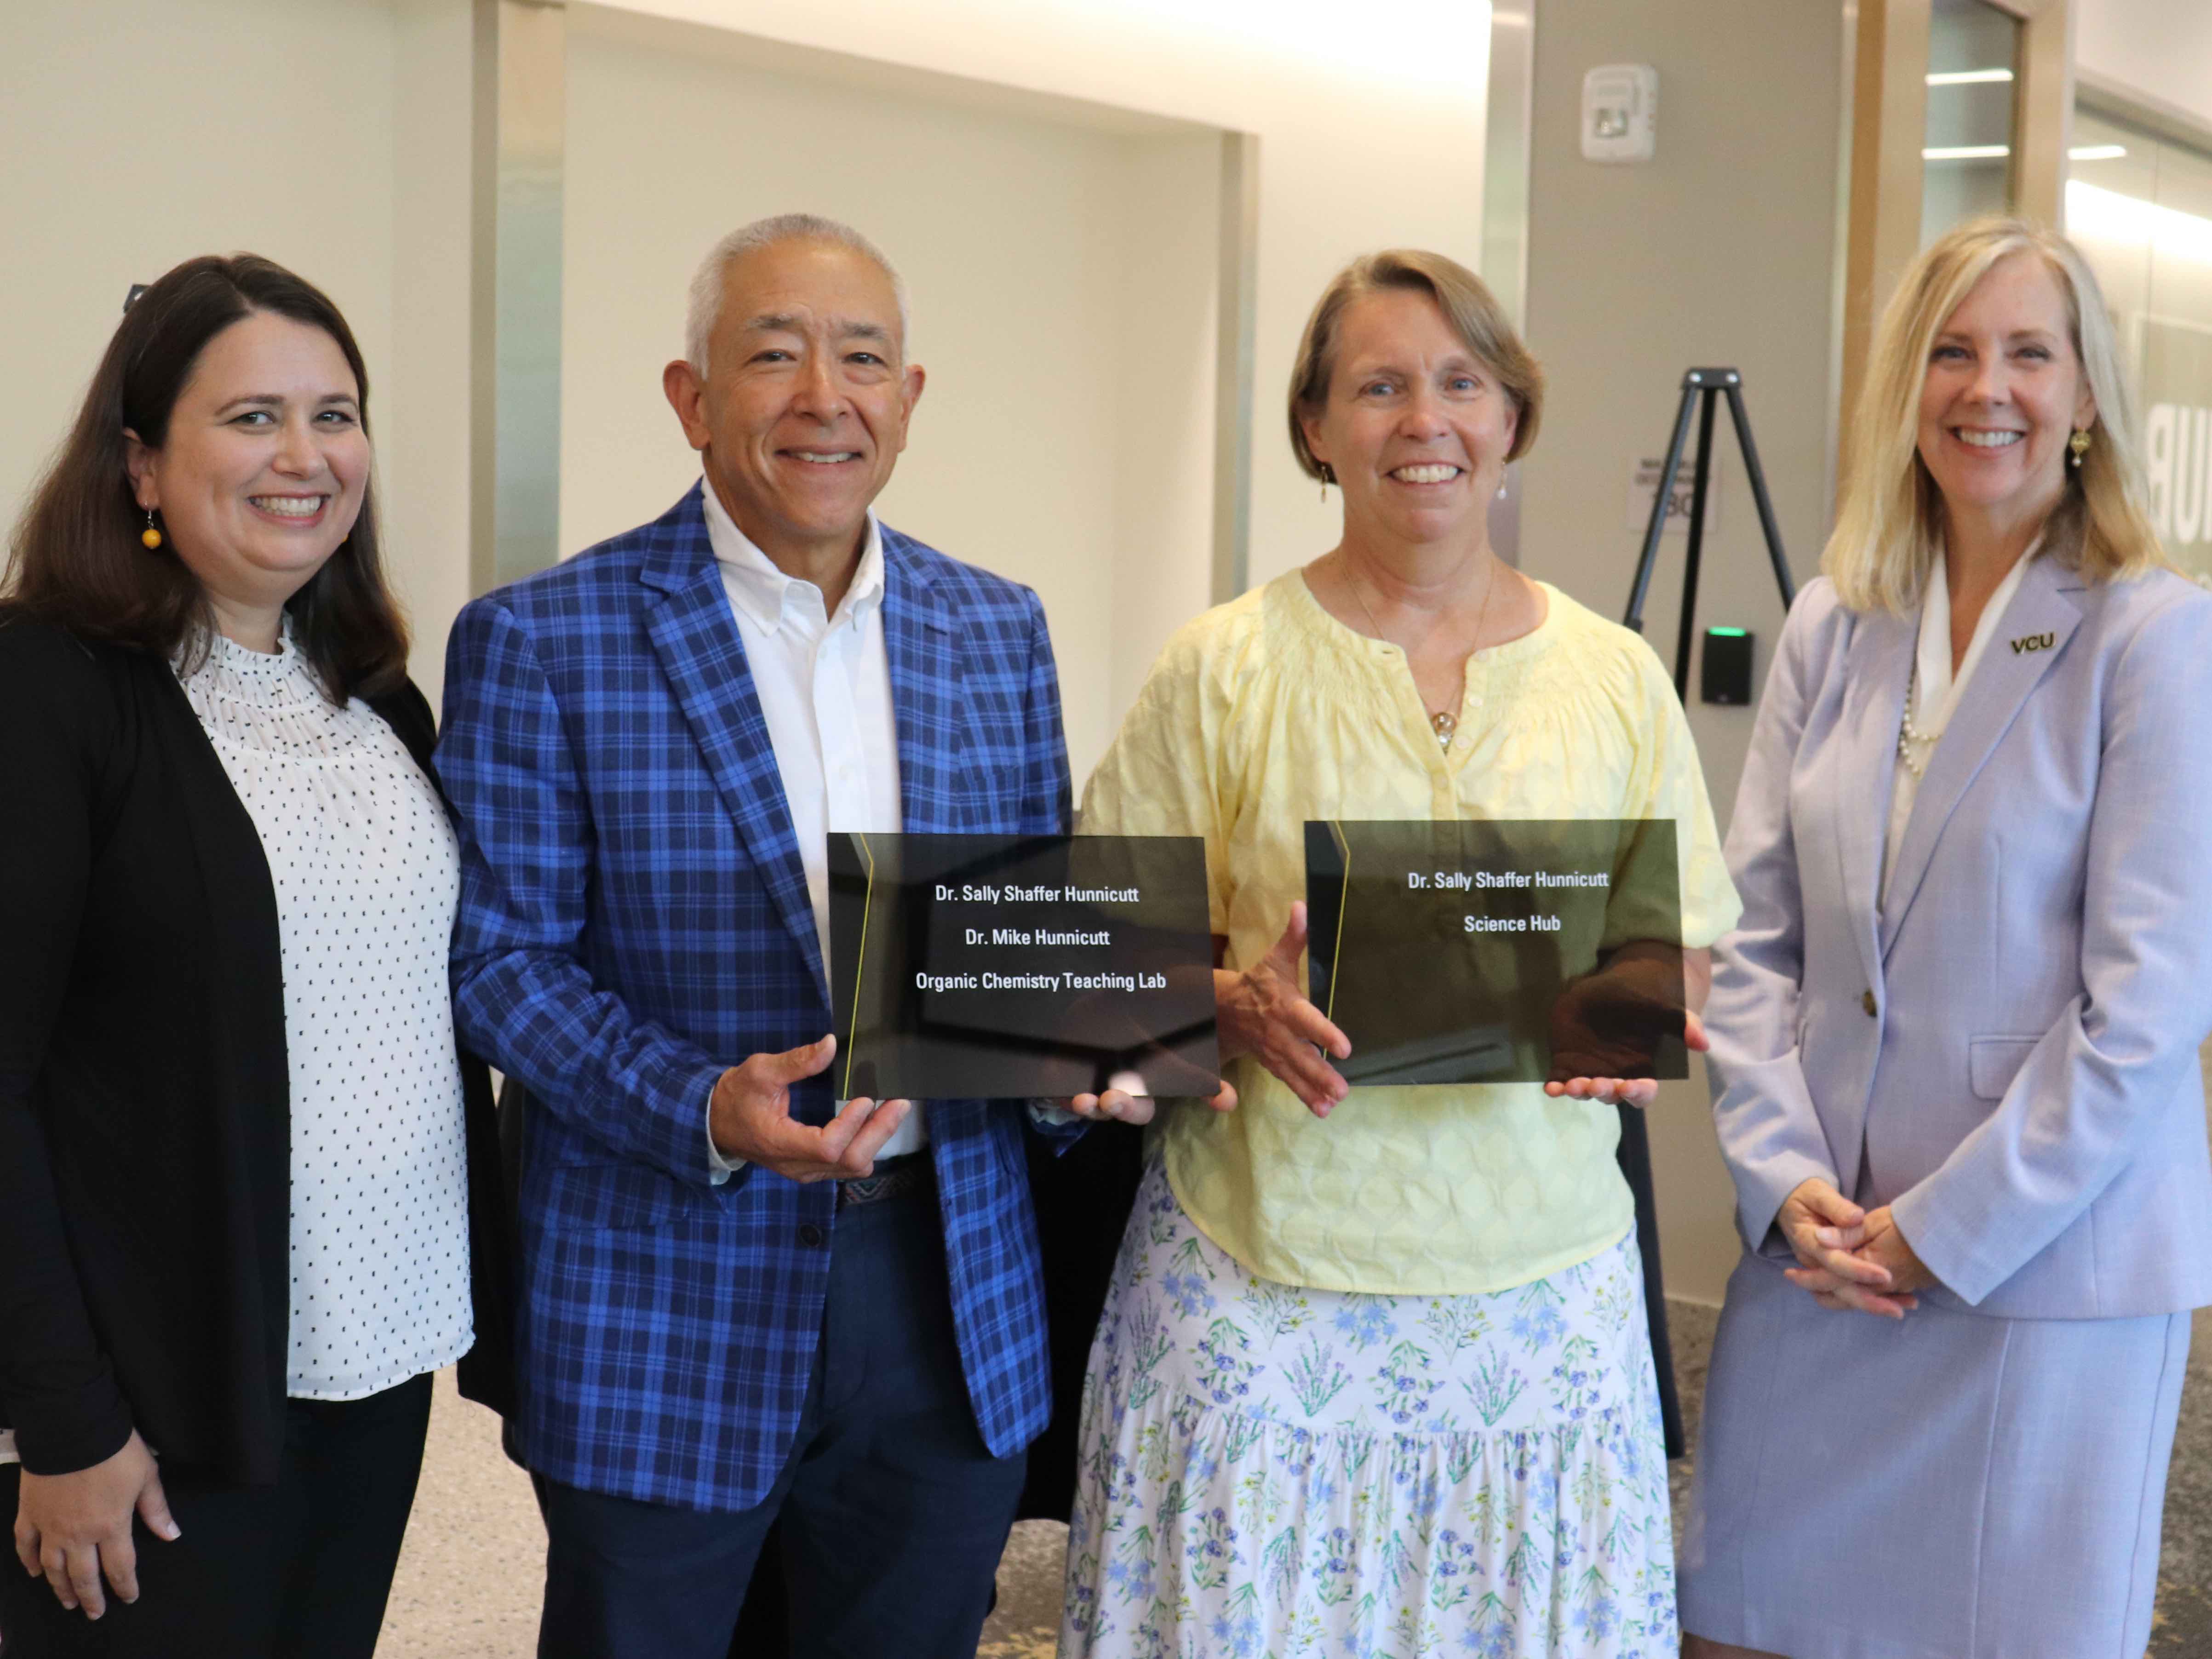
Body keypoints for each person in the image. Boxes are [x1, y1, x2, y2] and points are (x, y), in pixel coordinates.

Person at [436, 213, 1174, 1659]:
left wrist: (1098, 1056)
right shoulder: (544, 636)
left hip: (942, 1281)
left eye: (862, 358)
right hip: (661, 1277)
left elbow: (1022, 934)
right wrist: (702, 1104)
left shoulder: (995, 628)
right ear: (691, 397)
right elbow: (497, 960)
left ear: (909, 399)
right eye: (773, 355)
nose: (822, 395)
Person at [1059, 249, 1740, 1659]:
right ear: (1317, 427)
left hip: (1538, 1306)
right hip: (1259, 1283)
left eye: (1458, 383)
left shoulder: (1617, 676)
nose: (1421, 420)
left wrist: (1631, 1032)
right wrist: (1221, 1005)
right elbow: (1083, 964)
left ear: (1509, 419)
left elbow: (1679, 954)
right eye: (1377, 387)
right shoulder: (1221, 665)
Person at [1679, 216, 2212, 1659]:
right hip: (1819, 1257)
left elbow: (2145, 1012)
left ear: (2086, 394)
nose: (1989, 389)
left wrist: (1942, 1230)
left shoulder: (2153, 637)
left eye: (2029, 353)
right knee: (1742, 1626)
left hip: (2037, 1274)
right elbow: (1750, 942)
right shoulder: (1830, 625)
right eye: (1952, 352)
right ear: (1904, 389)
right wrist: (1784, 1181)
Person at [0, 255, 511, 1658]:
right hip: (160, 1387)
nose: (306, 457)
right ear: (142, 465)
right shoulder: (50, 688)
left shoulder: (375, 696)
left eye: (335, 415)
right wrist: (63, 1418)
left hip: (378, 1352)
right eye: (251, 419)